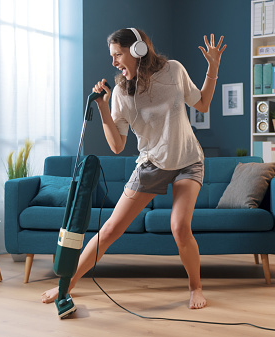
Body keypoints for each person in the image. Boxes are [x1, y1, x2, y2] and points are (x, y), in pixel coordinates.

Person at [42, 28, 225, 310]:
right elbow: (116, 145)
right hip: (152, 164)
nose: (114, 62)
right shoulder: (120, 93)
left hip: (188, 159)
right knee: (111, 228)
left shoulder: (174, 71)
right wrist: (103, 109)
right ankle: (67, 284)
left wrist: (213, 68)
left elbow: (202, 102)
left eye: (118, 54)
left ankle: (195, 287)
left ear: (138, 50)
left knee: (179, 226)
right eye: (112, 56)